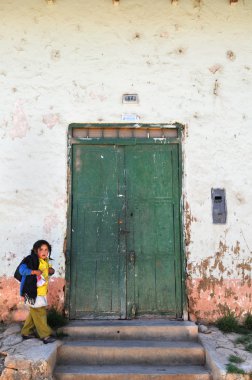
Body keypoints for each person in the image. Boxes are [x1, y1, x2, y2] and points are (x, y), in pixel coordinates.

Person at [19, 240, 56, 344]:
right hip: (33, 292)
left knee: (34, 313)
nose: (44, 252)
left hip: (41, 292)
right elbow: (22, 270)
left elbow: (45, 273)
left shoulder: (45, 261)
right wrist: (34, 271)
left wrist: (51, 271)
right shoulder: (31, 259)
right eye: (41, 249)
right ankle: (45, 335)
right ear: (36, 250)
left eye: (46, 250)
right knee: (40, 313)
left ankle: (26, 332)